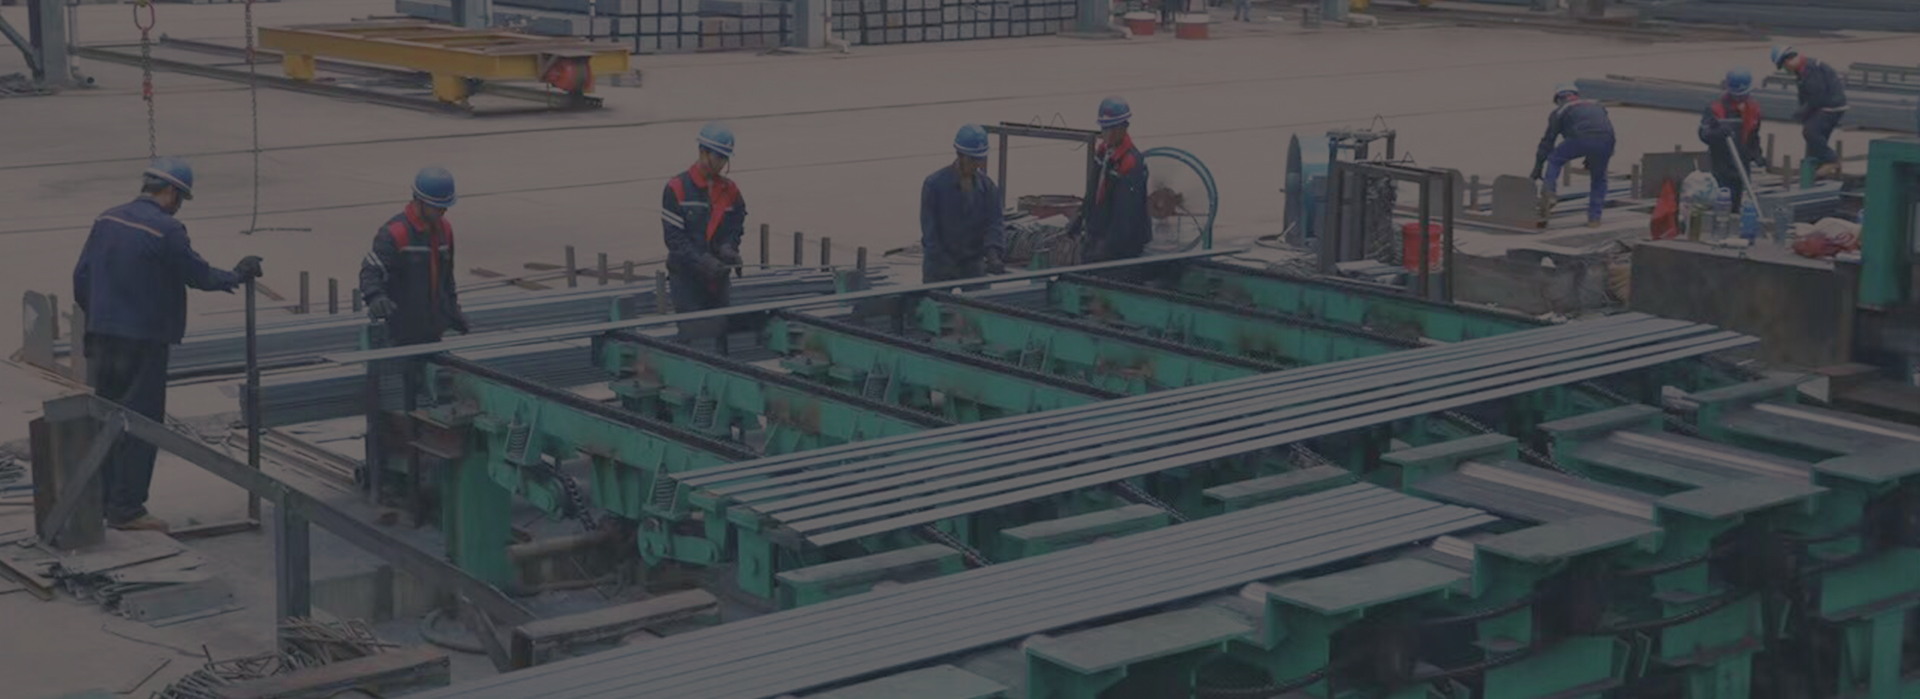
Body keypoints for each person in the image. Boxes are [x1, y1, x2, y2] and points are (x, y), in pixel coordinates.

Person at [72, 157, 263, 532]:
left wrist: (98, 318)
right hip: (142, 342)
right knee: (141, 423)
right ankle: (127, 509)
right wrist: (236, 275)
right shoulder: (167, 229)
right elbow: (198, 274)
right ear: (172, 192)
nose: (179, 206)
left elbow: (81, 275)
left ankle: (102, 499)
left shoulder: (107, 218)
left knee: (105, 416)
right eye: (181, 199)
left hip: (101, 336)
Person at [359, 167, 470, 347]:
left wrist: (452, 311)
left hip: (433, 332)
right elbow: (371, 271)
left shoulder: (445, 230)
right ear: (419, 201)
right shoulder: (395, 233)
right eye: (437, 207)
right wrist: (375, 297)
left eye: (445, 207)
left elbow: (447, 279)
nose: (442, 212)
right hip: (399, 335)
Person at [662, 122, 748, 312]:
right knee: (696, 328)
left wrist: (728, 247)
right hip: (686, 281)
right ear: (703, 152)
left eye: (725, 159)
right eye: (718, 157)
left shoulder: (730, 191)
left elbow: (735, 225)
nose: (721, 164)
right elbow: (674, 239)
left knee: (720, 326)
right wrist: (700, 260)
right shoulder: (677, 188)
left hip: (718, 278)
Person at [920, 124, 1007, 286]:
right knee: (937, 301)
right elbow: (930, 232)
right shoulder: (934, 185)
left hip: (972, 264)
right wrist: (943, 262)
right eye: (972, 159)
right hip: (940, 266)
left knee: (980, 300)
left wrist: (993, 254)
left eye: (980, 159)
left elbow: (994, 223)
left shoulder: (987, 187)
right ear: (960, 155)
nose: (977, 164)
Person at [1072, 96, 1152, 263]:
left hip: (1123, 248)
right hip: (1099, 235)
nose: (1108, 134)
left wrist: (1107, 248)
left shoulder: (1130, 163)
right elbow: (1092, 192)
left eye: (1113, 128)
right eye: (1104, 128)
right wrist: (1079, 219)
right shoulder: (1102, 153)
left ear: (1124, 127)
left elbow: (1125, 214)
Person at [1530, 83, 1616, 227]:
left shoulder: (1560, 111)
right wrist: (1591, 159)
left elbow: (1547, 142)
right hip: (1607, 141)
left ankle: (1549, 192)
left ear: (1558, 99)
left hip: (1580, 138)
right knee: (1599, 179)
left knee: (1555, 159)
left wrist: (1537, 168)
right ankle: (1594, 218)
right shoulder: (1596, 105)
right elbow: (1599, 128)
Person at [1773, 45, 1848, 178]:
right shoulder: (1802, 70)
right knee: (1815, 137)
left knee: (1810, 132)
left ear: (1788, 60)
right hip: (1824, 105)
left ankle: (1831, 160)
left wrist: (1801, 113)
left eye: (1784, 66)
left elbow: (1816, 97)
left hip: (1831, 106)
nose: (1786, 70)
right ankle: (1815, 168)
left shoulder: (1811, 69)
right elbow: (1805, 97)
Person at [1698, 69, 1766, 209]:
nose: (1740, 98)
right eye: (1737, 96)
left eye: (1743, 95)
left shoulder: (1753, 109)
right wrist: (1719, 133)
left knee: (1736, 202)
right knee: (1721, 202)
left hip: (1742, 163)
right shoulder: (1715, 108)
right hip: (1720, 164)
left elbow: (1753, 135)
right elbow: (1704, 134)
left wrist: (1757, 154)